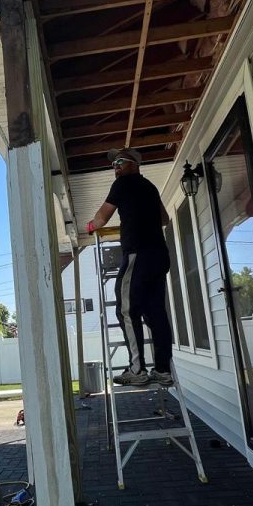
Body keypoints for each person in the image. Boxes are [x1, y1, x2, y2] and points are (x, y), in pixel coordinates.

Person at [86, 148, 174, 387]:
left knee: (126, 310)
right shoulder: (150, 187)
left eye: (121, 162)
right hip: (159, 255)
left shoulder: (123, 184)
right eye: (114, 163)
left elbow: (102, 217)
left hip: (138, 254)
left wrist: (91, 226)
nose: (116, 166)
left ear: (134, 164)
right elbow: (164, 220)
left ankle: (137, 369)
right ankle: (163, 370)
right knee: (156, 313)